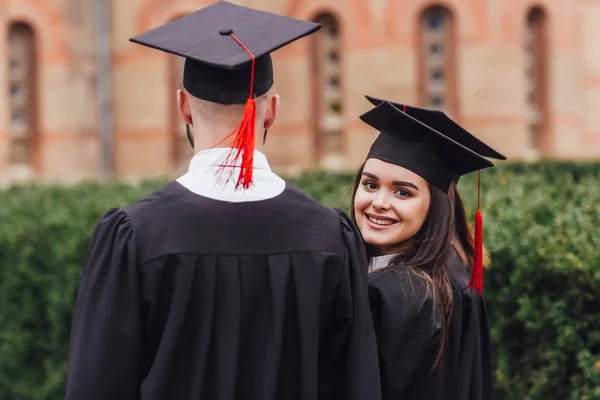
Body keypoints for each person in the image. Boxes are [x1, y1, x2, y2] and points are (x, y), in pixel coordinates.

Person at [65, 2, 381, 399]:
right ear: (272, 112)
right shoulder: (330, 236)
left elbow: (97, 387)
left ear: (182, 106)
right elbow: (355, 384)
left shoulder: (135, 236)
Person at [349, 100, 494, 399]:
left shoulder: (394, 294)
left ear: (434, 206)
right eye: (370, 184)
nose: (379, 202)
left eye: (403, 192)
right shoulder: (449, 269)